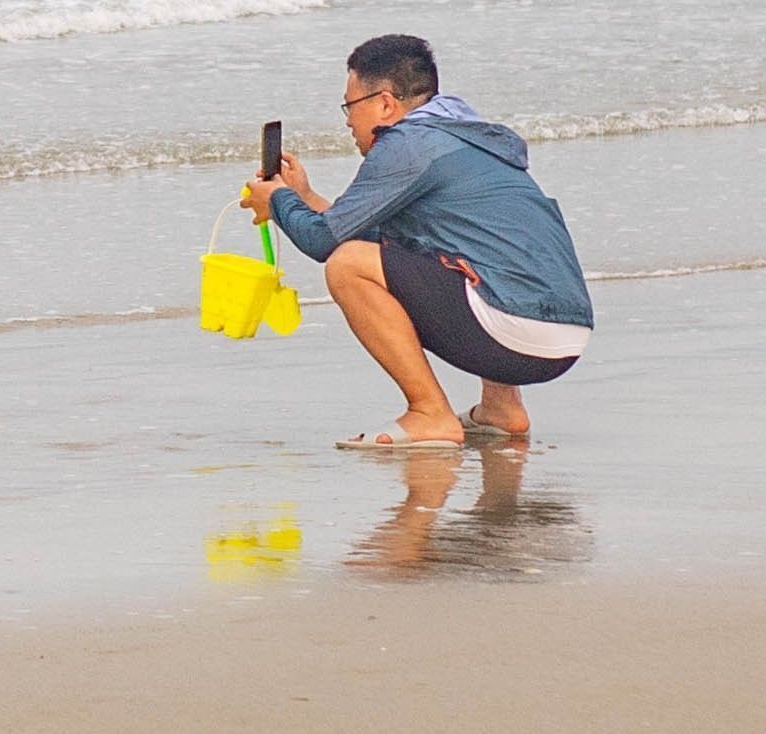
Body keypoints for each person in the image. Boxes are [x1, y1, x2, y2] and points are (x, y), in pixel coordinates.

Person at [244, 33, 596, 451]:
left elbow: (324, 243)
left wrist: (278, 200)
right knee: (462, 253)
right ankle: (502, 409)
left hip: (517, 334)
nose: (346, 121)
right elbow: (380, 243)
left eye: (349, 106)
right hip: (566, 333)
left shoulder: (407, 145)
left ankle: (430, 412)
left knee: (346, 265)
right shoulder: (463, 135)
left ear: (386, 104)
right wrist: (303, 198)